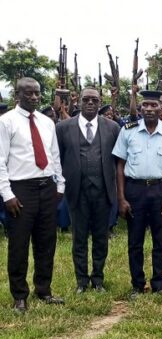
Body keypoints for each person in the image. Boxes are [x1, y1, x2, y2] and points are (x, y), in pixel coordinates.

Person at [112, 90, 162, 298]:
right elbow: (120, 165)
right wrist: (121, 198)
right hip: (134, 190)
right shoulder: (128, 131)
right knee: (134, 241)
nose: (149, 109)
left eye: (154, 105)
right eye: (145, 105)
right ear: (141, 107)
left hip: (160, 190)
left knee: (160, 240)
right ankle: (137, 285)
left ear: (161, 108)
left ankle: (158, 284)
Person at [0, 77, 66, 313]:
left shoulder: (47, 122)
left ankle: (44, 290)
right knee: (18, 244)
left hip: (47, 187)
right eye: (29, 94)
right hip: (21, 189)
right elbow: (0, 161)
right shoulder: (6, 122)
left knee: (46, 241)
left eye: (38, 93)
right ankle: (19, 296)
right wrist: (7, 194)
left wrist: (60, 185)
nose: (35, 97)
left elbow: (54, 155)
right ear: (17, 95)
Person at [56, 87, 120, 293]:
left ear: (100, 102)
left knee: (101, 238)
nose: (90, 103)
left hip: (103, 191)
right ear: (79, 102)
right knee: (79, 238)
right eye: (86, 100)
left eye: (94, 100)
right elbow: (57, 158)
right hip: (77, 191)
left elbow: (118, 159)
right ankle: (81, 281)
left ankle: (98, 279)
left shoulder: (112, 127)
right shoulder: (64, 127)